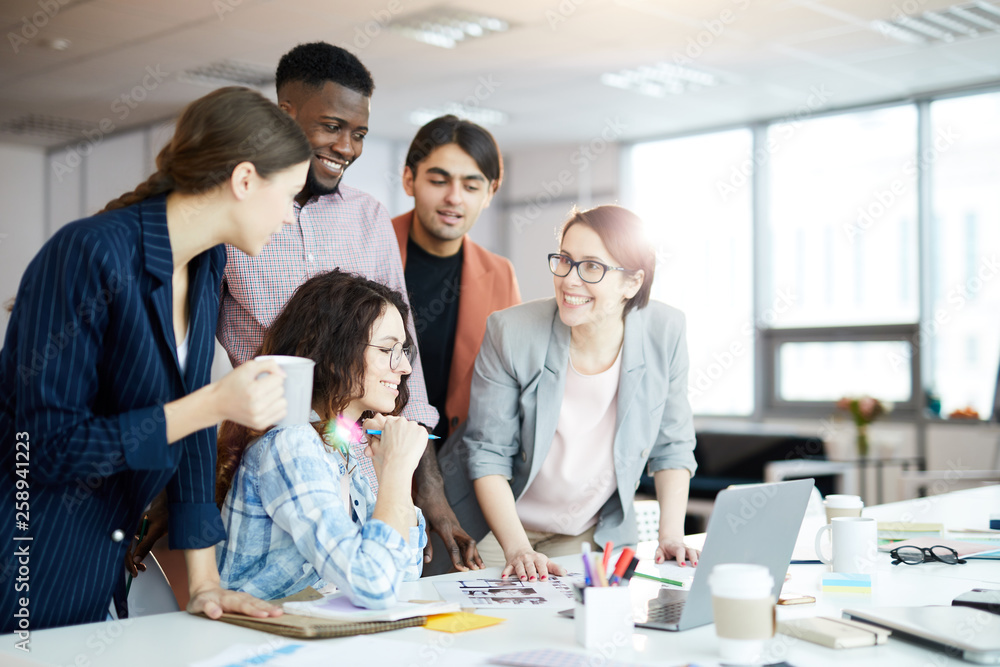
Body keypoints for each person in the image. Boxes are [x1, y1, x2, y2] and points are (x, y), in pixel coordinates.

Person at [0, 86, 312, 631]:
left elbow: (189, 436)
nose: (290, 218)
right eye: (289, 196)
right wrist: (212, 404)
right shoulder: (88, 253)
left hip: (99, 558)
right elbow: (46, 449)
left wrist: (206, 584)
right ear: (244, 180)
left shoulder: (207, 263)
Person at [214, 42, 477, 572]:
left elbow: (402, 356)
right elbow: (194, 352)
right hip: (267, 452)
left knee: (359, 595)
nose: (347, 147)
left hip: (355, 454)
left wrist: (426, 485)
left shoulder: (366, 217)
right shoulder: (236, 212)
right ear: (285, 115)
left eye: (358, 133)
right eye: (332, 126)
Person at [439, 205, 701, 581]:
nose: (569, 280)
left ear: (632, 282)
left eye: (592, 266)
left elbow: (672, 446)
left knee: (582, 629)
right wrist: (518, 549)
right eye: (565, 260)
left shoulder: (666, 331)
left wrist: (671, 536)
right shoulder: (511, 332)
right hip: (499, 529)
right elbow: (488, 454)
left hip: (585, 531)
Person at [215, 270, 428, 606]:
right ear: (332, 355)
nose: (405, 368)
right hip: (259, 646)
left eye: (403, 351)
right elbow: (374, 586)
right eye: (389, 350)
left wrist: (391, 472)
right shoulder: (293, 445)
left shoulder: (336, 447)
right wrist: (399, 474)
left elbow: (404, 572)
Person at [392, 115, 521, 445]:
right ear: (409, 180)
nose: (454, 197)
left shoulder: (500, 274)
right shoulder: (368, 248)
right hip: (370, 451)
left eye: (471, 186)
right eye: (439, 181)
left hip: (457, 461)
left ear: (490, 192)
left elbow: (510, 382)